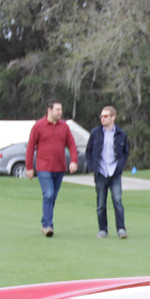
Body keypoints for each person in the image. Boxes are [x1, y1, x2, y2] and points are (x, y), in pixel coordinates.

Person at [27, 100, 80, 237]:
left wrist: (73, 160)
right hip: (44, 167)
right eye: (57, 110)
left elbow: (72, 145)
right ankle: (48, 226)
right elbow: (30, 147)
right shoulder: (38, 126)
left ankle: (45, 222)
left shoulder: (64, 127)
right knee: (49, 194)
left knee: (52, 197)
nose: (60, 112)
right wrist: (29, 167)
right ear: (49, 110)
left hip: (60, 167)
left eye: (61, 110)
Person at [85, 105, 129, 238]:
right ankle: (102, 229)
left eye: (105, 116)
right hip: (101, 172)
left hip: (114, 173)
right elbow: (89, 151)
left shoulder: (121, 134)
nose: (102, 119)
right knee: (100, 204)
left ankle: (121, 229)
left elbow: (125, 152)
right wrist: (93, 168)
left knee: (117, 201)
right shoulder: (95, 133)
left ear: (113, 117)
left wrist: (120, 167)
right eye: (101, 116)